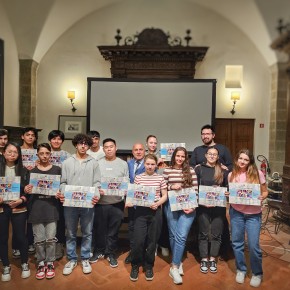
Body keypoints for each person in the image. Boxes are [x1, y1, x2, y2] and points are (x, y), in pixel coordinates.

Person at [57, 134, 101, 276]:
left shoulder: (94, 162)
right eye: (80, 143)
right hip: (70, 204)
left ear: (89, 146)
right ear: (76, 144)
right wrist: (64, 193)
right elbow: (63, 182)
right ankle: (71, 259)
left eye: (86, 144)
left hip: (88, 204)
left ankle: (85, 258)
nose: (83, 146)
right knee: (70, 232)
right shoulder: (67, 162)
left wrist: (96, 196)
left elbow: (97, 183)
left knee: (87, 232)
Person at [190, 124, 233, 260]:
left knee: (219, 228)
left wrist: (225, 169)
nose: (205, 136)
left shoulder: (223, 149)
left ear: (213, 135)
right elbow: (191, 169)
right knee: (201, 228)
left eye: (208, 134)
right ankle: (202, 254)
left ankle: (220, 252)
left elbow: (231, 167)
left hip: (218, 202)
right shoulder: (197, 151)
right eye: (203, 134)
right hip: (202, 202)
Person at [228, 149, 268, 288]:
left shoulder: (258, 173)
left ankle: (257, 273)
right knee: (237, 242)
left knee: (253, 245)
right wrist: (229, 194)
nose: (242, 162)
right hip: (236, 212)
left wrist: (263, 196)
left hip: (253, 215)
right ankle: (241, 269)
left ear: (250, 161)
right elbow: (232, 192)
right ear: (236, 159)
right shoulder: (231, 175)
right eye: (240, 158)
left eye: (246, 159)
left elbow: (265, 191)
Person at [90, 138, 129, 267]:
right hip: (101, 202)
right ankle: (99, 251)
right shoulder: (97, 163)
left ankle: (111, 253)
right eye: (106, 147)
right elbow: (93, 182)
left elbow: (126, 182)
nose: (109, 149)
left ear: (116, 148)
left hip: (117, 202)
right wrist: (97, 190)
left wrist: (124, 190)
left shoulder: (123, 164)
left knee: (114, 230)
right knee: (100, 229)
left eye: (111, 146)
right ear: (103, 149)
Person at [128, 154, 167, 282]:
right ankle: (135, 265)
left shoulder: (160, 178)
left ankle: (149, 266)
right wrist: (131, 201)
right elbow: (135, 194)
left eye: (152, 164)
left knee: (152, 242)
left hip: (155, 212)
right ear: (144, 164)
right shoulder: (138, 178)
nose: (150, 166)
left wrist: (157, 203)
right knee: (138, 241)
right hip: (140, 212)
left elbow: (164, 195)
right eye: (147, 164)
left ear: (156, 165)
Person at [25, 143, 61, 280]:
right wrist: (27, 190)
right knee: (39, 239)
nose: (44, 156)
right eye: (42, 153)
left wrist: (59, 193)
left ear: (50, 154)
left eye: (47, 153)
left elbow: (60, 188)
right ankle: (41, 262)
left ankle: (50, 261)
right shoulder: (31, 171)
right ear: (37, 155)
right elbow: (27, 190)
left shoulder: (57, 170)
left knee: (51, 238)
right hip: (36, 208)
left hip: (52, 208)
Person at [163, 147, 198, 285]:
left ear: (185, 158)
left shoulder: (191, 171)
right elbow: (163, 187)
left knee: (181, 236)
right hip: (171, 206)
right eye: (177, 156)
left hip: (188, 207)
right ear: (174, 156)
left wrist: (193, 206)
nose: (180, 158)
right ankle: (176, 261)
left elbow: (196, 190)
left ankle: (175, 267)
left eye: (182, 156)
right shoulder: (167, 170)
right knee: (172, 235)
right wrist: (172, 187)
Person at [194, 146, 228, 274]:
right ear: (206, 155)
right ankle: (204, 258)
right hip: (202, 207)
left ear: (218, 157)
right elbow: (194, 188)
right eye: (210, 154)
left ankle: (213, 258)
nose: (212, 156)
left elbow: (227, 189)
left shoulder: (223, 171)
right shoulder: (199, 169)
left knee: (216, 233)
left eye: (215, 154)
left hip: (219, 207)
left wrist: (225, 193)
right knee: (203, 233)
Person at [0, 142, 31, 282]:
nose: (12, 154)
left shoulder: (24, 170)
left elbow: (29, 192)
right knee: (2, 237)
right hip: (2, 208)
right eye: (9, 151)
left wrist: (21, 199)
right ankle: (6, 265)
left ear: (19, 155)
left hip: (19, 207)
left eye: (15, 152)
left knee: (20, 236)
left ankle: (24, 263)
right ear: (3, 152)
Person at [48, 129, 70, 260]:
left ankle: (59, 245)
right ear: (50, 140)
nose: (56, 141)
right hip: (46, 192)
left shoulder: (67, 155)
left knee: (61, 219)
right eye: (54, 139)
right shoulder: (44, 153)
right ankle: (46, 244)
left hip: (62, 192)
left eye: (59, 139)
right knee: (48, 218)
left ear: (62, 141)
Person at [146, 134, 169, 257]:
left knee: (163, 220)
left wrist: (163, 162)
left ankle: (163, 244)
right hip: (148, 192)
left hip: (162, 190)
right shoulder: (143, 156)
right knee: (151, 221)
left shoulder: (164, 154)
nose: (153, 145)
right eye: (151, 142)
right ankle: (152, 245)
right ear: (147, 144)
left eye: (155, 143)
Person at [125, 142, 146, 264]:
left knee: (144, 228)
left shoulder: (150, 163)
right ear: (132, 152)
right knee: (132, 227)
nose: (138, 152)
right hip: (131, 202)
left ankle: (142, 252)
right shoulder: (127, 164)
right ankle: (133, 252)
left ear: (144, 151)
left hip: (144, 202)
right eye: (136, 150)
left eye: (141, 149)